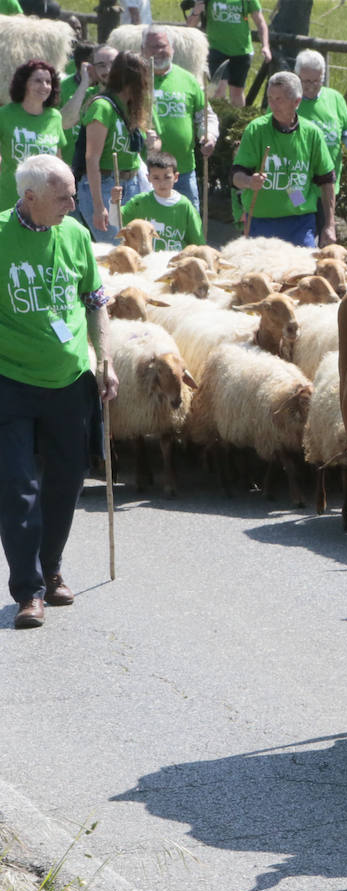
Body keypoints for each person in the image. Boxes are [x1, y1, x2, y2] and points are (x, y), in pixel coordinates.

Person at [1, 155, 117, 630]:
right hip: (11, 382)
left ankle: (51, 569)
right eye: (64, 197)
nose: (74, 204)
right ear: (29, 198)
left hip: (71, 382)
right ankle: (28, 590)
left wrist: (105, 358)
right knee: (18, 487)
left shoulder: (75, 235)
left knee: (66, 482)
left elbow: (95, 302)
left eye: (73, 194)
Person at [231, 71, 335, 247]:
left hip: (300, 223)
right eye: (270, 98)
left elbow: (327, 180)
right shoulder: (255, 130)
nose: (273, 104)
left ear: (297, 102)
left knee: (303, 273)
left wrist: (329, 225)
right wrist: (249, 181)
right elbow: (235, 176)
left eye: (279, 99)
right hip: (260, 222)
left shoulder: (312, 134)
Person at [78, 50, 153, 245]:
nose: (146, 85)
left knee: (137, 247)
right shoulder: (102, 107)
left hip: (132, 183)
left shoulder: (132, 109)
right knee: (117, 248)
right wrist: (98, 206)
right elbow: (91, 158)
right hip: (105, 184)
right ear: (132, 79)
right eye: (144, 79)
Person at [144, 25, 217, 215]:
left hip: (182, 172)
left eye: (162, 46)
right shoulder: (135, 80)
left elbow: (205, 116)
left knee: (190, 228)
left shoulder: (188, 80)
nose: (158, 51)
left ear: (172, 48)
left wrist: (208, 135)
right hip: (146, 174)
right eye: (152, 47)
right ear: (143, 50)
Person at [295, 50, 347, 240]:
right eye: (306, 81)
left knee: (326, 234)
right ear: (297, 76)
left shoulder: (334, 98)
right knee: (302, 233)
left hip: (327, 187)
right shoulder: (288, 99)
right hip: (295, 187)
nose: (311, 87)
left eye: (317, 81)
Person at [0, 60, 65, 211]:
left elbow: (58, 159)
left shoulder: (55, 116)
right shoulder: (4, 114)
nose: (44, 86)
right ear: (24, 84)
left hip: (45, 199)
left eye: (48, 82)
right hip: (9, 196)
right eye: (38, 81)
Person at [189, 0, 271, 108]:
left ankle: (236, 121)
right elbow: (190, 24)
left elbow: (260, 23)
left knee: (237, 92)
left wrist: (265, 46)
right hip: (215, 49)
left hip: (241, 50)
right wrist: (196, 10)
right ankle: (217, 121)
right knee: (218, 90)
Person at [120, 149, 204, 250]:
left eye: (167, 177)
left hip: (174, 262)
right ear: (148, 177)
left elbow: (198, 242)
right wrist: (114, 202)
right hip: (149, 261)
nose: (162, 183)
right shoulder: (140, 202)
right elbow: (116, 220)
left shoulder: (185, 205)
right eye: (156, 178)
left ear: (176, 177)